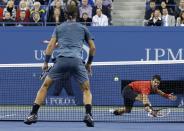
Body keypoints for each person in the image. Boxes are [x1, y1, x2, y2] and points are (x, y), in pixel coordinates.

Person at [24, 4, 96, 127]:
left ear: (65, 14)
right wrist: (88, 64)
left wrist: (46, 62)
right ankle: (88, 114)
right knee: (86, 89)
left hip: (61, 61)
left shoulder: (59, 28)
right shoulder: (83, 28)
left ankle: (33, 114)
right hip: (77, 62)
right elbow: (93, 48)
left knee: (45, 86)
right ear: (77, 14)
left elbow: (50, 46)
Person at [112, 75, 176, 117]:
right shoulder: (146, 86)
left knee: (127, 110)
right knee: (143, 98)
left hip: (131, 93)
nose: (156, 84)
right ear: (152, 81)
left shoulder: (154, 87)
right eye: (155, 82)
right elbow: (144, 98)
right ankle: (151, 112)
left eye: (158, 83)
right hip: (128, 90)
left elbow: (159, 92)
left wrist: (167, 96)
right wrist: (149, 110)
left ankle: (115, 112)